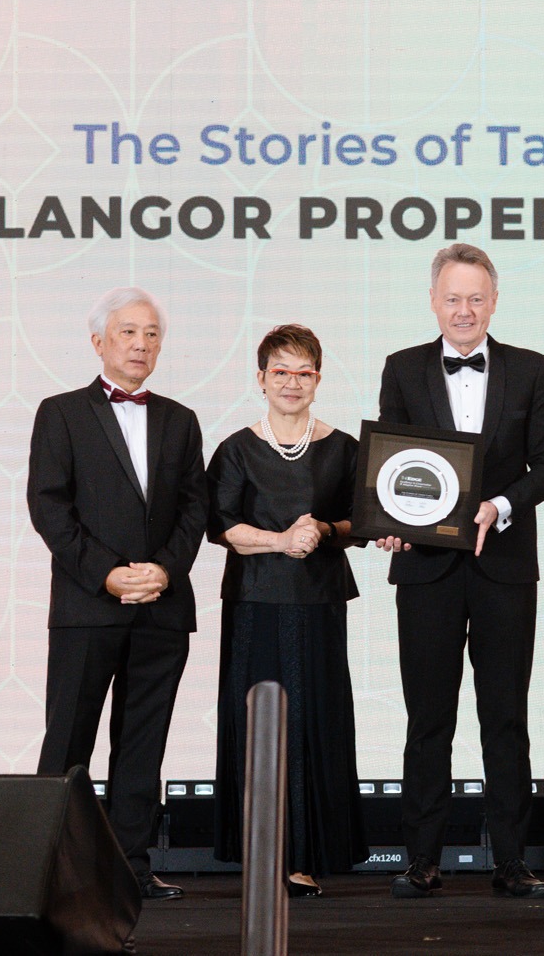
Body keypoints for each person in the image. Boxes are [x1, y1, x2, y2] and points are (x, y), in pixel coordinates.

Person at [377, 243, 544, 900]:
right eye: (453, 298)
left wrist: (500, 505)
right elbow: (391, 466)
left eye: (476, 298)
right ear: (434, 301)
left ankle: (511, 860)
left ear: (494, 301)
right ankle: (421, 859)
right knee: (427, 719)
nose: (465, 309)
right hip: (425, 569)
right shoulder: (402, 367)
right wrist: (390, 520)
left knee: (505, 717)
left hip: (504, 568)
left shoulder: (530, 368)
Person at [27, 288, 211, 901]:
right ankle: (48, 869)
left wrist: (164, 570)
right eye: (128, 332)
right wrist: (106, 573)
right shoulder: (60, 413)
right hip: (87, 606)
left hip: (163, 608)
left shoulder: (181, 420)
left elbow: (195, 508)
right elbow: (49, 507)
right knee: (68, 741)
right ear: (98, 342)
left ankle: (130, 866)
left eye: (152, 334)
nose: (141, 344)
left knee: (143, 744)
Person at [206, 323, 368, 897]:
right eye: (281, 371)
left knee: (313, 721)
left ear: (318, 379)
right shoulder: (235, 448)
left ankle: (303, 859)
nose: (292, 382)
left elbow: (361, 521)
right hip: (254, 606)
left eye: (304, 372)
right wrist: (280, 540)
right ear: (261, 378)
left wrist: (322, 529)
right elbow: (220, 526)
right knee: (256, 724)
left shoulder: (345, 448)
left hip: (319, 604)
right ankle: (258, 856)